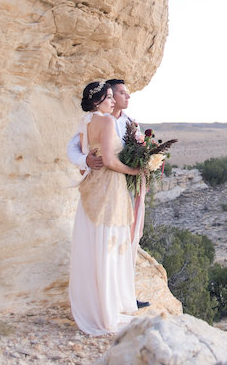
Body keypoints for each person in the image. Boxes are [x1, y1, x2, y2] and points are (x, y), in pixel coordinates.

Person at [68, 81, 144, 336]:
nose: (113, 101)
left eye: (114, 96)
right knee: (110, 244)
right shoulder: (108, 122)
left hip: (91, 187)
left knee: (94, 244)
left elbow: (82, 158)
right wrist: (135, 170)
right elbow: (110, 160)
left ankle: (98, 306)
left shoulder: (85, 122)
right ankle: (107, 310)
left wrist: (87, 160)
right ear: (98, 100)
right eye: (109, 97)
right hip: (109, 187)